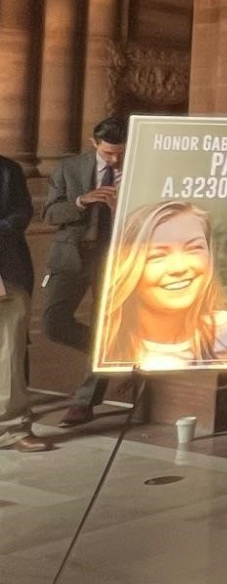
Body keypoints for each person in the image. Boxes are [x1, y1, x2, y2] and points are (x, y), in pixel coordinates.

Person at [94, 201, 227, 370]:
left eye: (194, 248)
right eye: (157, 255)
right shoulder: (104, 342)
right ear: (129, 266)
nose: (179, 268)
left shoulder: (225, 331)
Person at [45, 117, 126, 427]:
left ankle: (84, 402)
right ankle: (113, 354)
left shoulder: (138, 169)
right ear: (94, 144)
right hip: (71, 255)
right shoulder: (69, 168)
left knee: (106, 325)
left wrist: (120, 208)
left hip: (115, 257)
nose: (114, 159)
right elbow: (50, 213)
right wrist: (81, 201)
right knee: (54, 323)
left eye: (120, 153)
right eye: (108, 153)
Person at [0, 151, 49, 451]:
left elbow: (20, 213)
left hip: (6, 271)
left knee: (8, 353)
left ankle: (11, 428)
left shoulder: (9, 170)